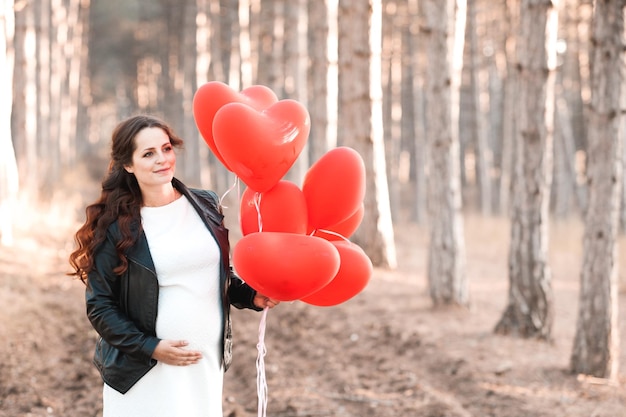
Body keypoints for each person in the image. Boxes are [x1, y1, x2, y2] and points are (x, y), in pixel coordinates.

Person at [68, 114, 279, 417]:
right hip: (143, 370)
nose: (162, 160)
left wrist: (250, 296)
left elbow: (213, 274)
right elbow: (100, 306)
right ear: (127, 164)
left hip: (204, 364)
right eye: (148, 153)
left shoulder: (205, 204)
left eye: (166, 149)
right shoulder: (115, 225)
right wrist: (151, 347)